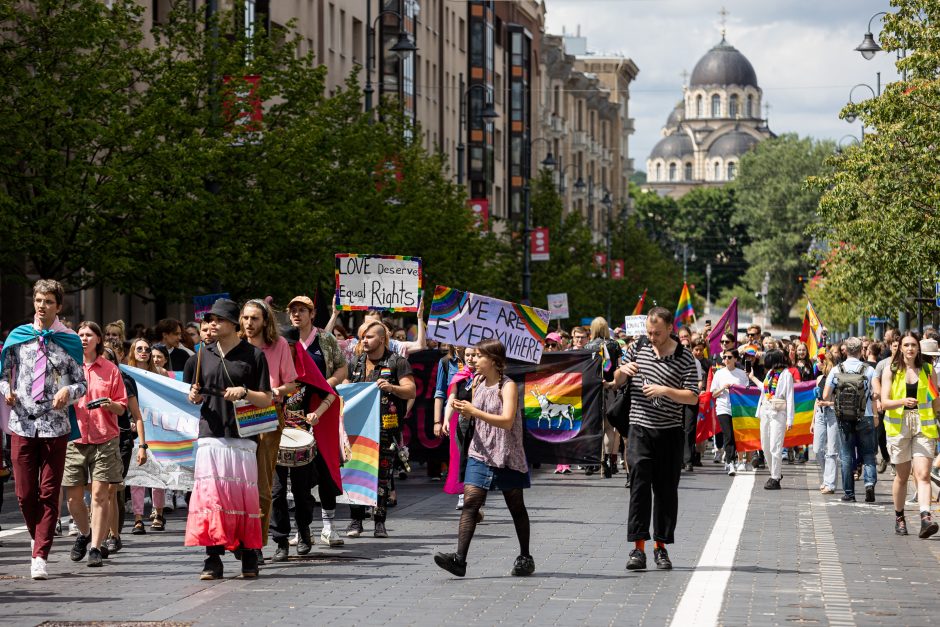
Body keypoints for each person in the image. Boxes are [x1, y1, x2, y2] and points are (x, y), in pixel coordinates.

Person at [0, 279, 87, 580]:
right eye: (38, 300)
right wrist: (6, 390)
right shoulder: (18, 337)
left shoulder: (69, 340)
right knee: (25, 494)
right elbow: (3, 373)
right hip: (22, 423)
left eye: (48, 301)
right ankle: (36, 537)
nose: (42, 305)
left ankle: (40, 554)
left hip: (55, 426)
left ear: (58, 306)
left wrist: (69, 393)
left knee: (49, 492)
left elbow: (82, 384)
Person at [184, 298, 272, 579]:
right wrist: (193, 395)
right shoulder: (201, 354)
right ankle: (212, 558)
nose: (212, 324)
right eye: (210, 319)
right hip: (210, 433)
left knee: (243, 498)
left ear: (233, 324)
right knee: (211, 498)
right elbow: (193, 392)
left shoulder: (254, 355)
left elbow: (266, 399)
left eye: (218, 319)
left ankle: (248, 555)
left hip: (242, 435)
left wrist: (244, 392)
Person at [433, 339, 534, 578]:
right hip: (480, 451)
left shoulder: (507, 386)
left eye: (479, 356)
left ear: (494, 361)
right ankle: (460, 560)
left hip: (505, 452)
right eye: (474, 356)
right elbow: (474, 414)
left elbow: (507, 420)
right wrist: (460, 409)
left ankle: (525, 556)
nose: (474, 360)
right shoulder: (476, 381)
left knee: (516, 506)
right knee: (470, 504)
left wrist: (474, 411)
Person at [614, 307, 698, 571]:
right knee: (639, 488)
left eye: (657, 333)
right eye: (649, 332)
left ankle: (661, 547)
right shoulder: (637, 347)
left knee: (665, 491)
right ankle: (637, 548)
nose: (652, 337)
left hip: (670, 432)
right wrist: (623, 371)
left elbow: (693, 396)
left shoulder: (685, 357)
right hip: (639, 429)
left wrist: (665, 390)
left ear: (670, 329)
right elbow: (616, 382)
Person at [63, 322, 128, 567]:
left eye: (89, 335)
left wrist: (109, 404)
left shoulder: (110, 370)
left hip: (104, 438)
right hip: (74, 438)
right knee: (73, 499)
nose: (83, 339)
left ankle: (96, 548)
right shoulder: (68, 367)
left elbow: (122, 407)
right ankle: (86, 532)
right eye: (80, 335)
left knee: (101, 495)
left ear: (98, 339)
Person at [271, 326, 337, 561]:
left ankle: (304, 531)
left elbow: (331, 393)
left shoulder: (306, 371)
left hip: (301, 439)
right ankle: (280, 541)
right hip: (273, 439)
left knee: (301, 492)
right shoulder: (270, 371)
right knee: (276, 493)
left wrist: (317, 413)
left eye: (289, 346)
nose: (285, 351)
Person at [345, 320, 416, 538]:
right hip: (357, 429)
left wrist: (392, 387)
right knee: (356, 473)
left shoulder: (397, 362)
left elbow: (410, 390)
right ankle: (356, 521)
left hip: (386, 429)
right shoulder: (356, 362)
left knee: (382, 476)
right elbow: (346, 387)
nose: (364, 340)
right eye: (363, 337)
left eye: (369, 337)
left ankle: (379, 522)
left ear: (382, 339)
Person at [239, 299, 297, 563]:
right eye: (245, 318)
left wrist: (274, 391)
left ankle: (257, 543)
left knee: (263, 484)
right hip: (236, 417)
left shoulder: (280, 345)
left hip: (267, 415)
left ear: (265, 321)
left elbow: (291, 384)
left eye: (255, 319)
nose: (249, 324)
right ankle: (239, 538)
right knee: (238, 483)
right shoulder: (234, 346)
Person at [287, 294, 348, 545]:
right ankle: (300, 528)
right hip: (291, 409)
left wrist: (327, 384)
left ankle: (328, 525)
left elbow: (342, 369)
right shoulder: (283, 340)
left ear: (312, 314)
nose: (297, 314)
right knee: (292, 469)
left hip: (321, 406)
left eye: (302, 310)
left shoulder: (325, 339)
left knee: (325, 466)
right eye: (293, 310)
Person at [880, 331, 939, 538]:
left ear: (918, 348)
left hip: (924, 425)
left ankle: (925, 517)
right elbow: (884, 402)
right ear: (900, 348)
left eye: (914, 345)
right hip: (899, 427)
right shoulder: (891, 370)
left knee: (923, 475)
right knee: (902, 476)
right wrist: (902, 402)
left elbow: (935, 401)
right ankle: (899, 516)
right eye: (906, 345)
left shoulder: (928, 370)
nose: (910, 349)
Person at [824, 337, 876, 503]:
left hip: (844, 417)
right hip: (865, 415)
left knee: (846, 455)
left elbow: (825, 395)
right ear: (862, 351)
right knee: (868, 453)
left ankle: (849, 493)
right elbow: (878, 393)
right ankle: (869, 484)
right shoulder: (868, 370)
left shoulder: (836, 369)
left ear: (845, 350)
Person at [125, 338, 168, 532]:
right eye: (139, 348)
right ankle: (138, 517)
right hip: (135, 430)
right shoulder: (125, 373)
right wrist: (129, 421)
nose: (144, 351)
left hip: (156, 429)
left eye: (147, 349)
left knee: (157, 474)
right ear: (133, 351)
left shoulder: (159, 375)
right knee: (138, 475)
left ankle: (158, 513)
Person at [584, 317, 622, 478]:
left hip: (593, 391)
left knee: (592, 427)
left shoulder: (587, 346)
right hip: (610, 389)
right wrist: (614, 382)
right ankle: (608, 461)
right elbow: (619, 367)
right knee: (608, 428)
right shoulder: (615, 345)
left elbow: (584, 372)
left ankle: (592, 462)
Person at [753, 350, 794, 490]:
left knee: (775, 446)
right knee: (765, 446)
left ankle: (775, 477)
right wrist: (753, 378)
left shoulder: (786, 374)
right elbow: (765, 390)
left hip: (778, 412)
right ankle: (775, 472)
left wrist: (790, 419)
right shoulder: (770, 373)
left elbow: (789, 396)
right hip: (765, 410)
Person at [710, 349, 748, 476]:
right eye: (724, 357)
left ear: (736, 359)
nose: (726, 359)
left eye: (729, 357)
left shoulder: (741, 374)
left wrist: (737, 389)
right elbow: (713, 394)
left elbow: (746, 392)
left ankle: (740, 460)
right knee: (728, 435)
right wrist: (723, 388)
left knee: (738, 435)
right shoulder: (719, 374)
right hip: (723, 408)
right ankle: (730, 461)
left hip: (738, 409)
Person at [812, 354, 840, 495]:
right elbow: (816, 402)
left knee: (832, 450)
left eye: (818, 362)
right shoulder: (819, 379)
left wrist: (828, 403)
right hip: (820, 414)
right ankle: (827, 476)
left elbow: (840, 401)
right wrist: (813, 420)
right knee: (817, 449)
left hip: (833, 413)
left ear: (825, 362)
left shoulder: (836, 378)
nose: (817, 365)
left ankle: (830, 483)